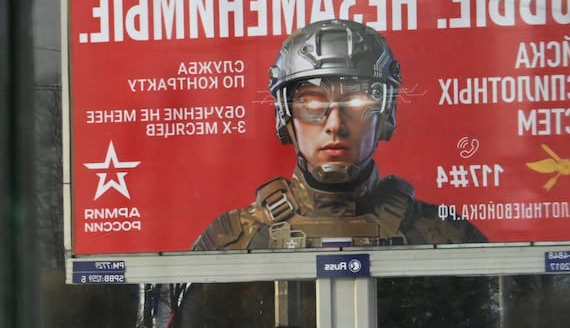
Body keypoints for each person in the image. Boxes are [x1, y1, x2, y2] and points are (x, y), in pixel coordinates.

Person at [193, 18, 487, 250]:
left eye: (356, 102)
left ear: (385, 112)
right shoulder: (234, 237)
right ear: (286, 115)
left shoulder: (443, 235)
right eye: (312, 103)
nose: (335, 124)